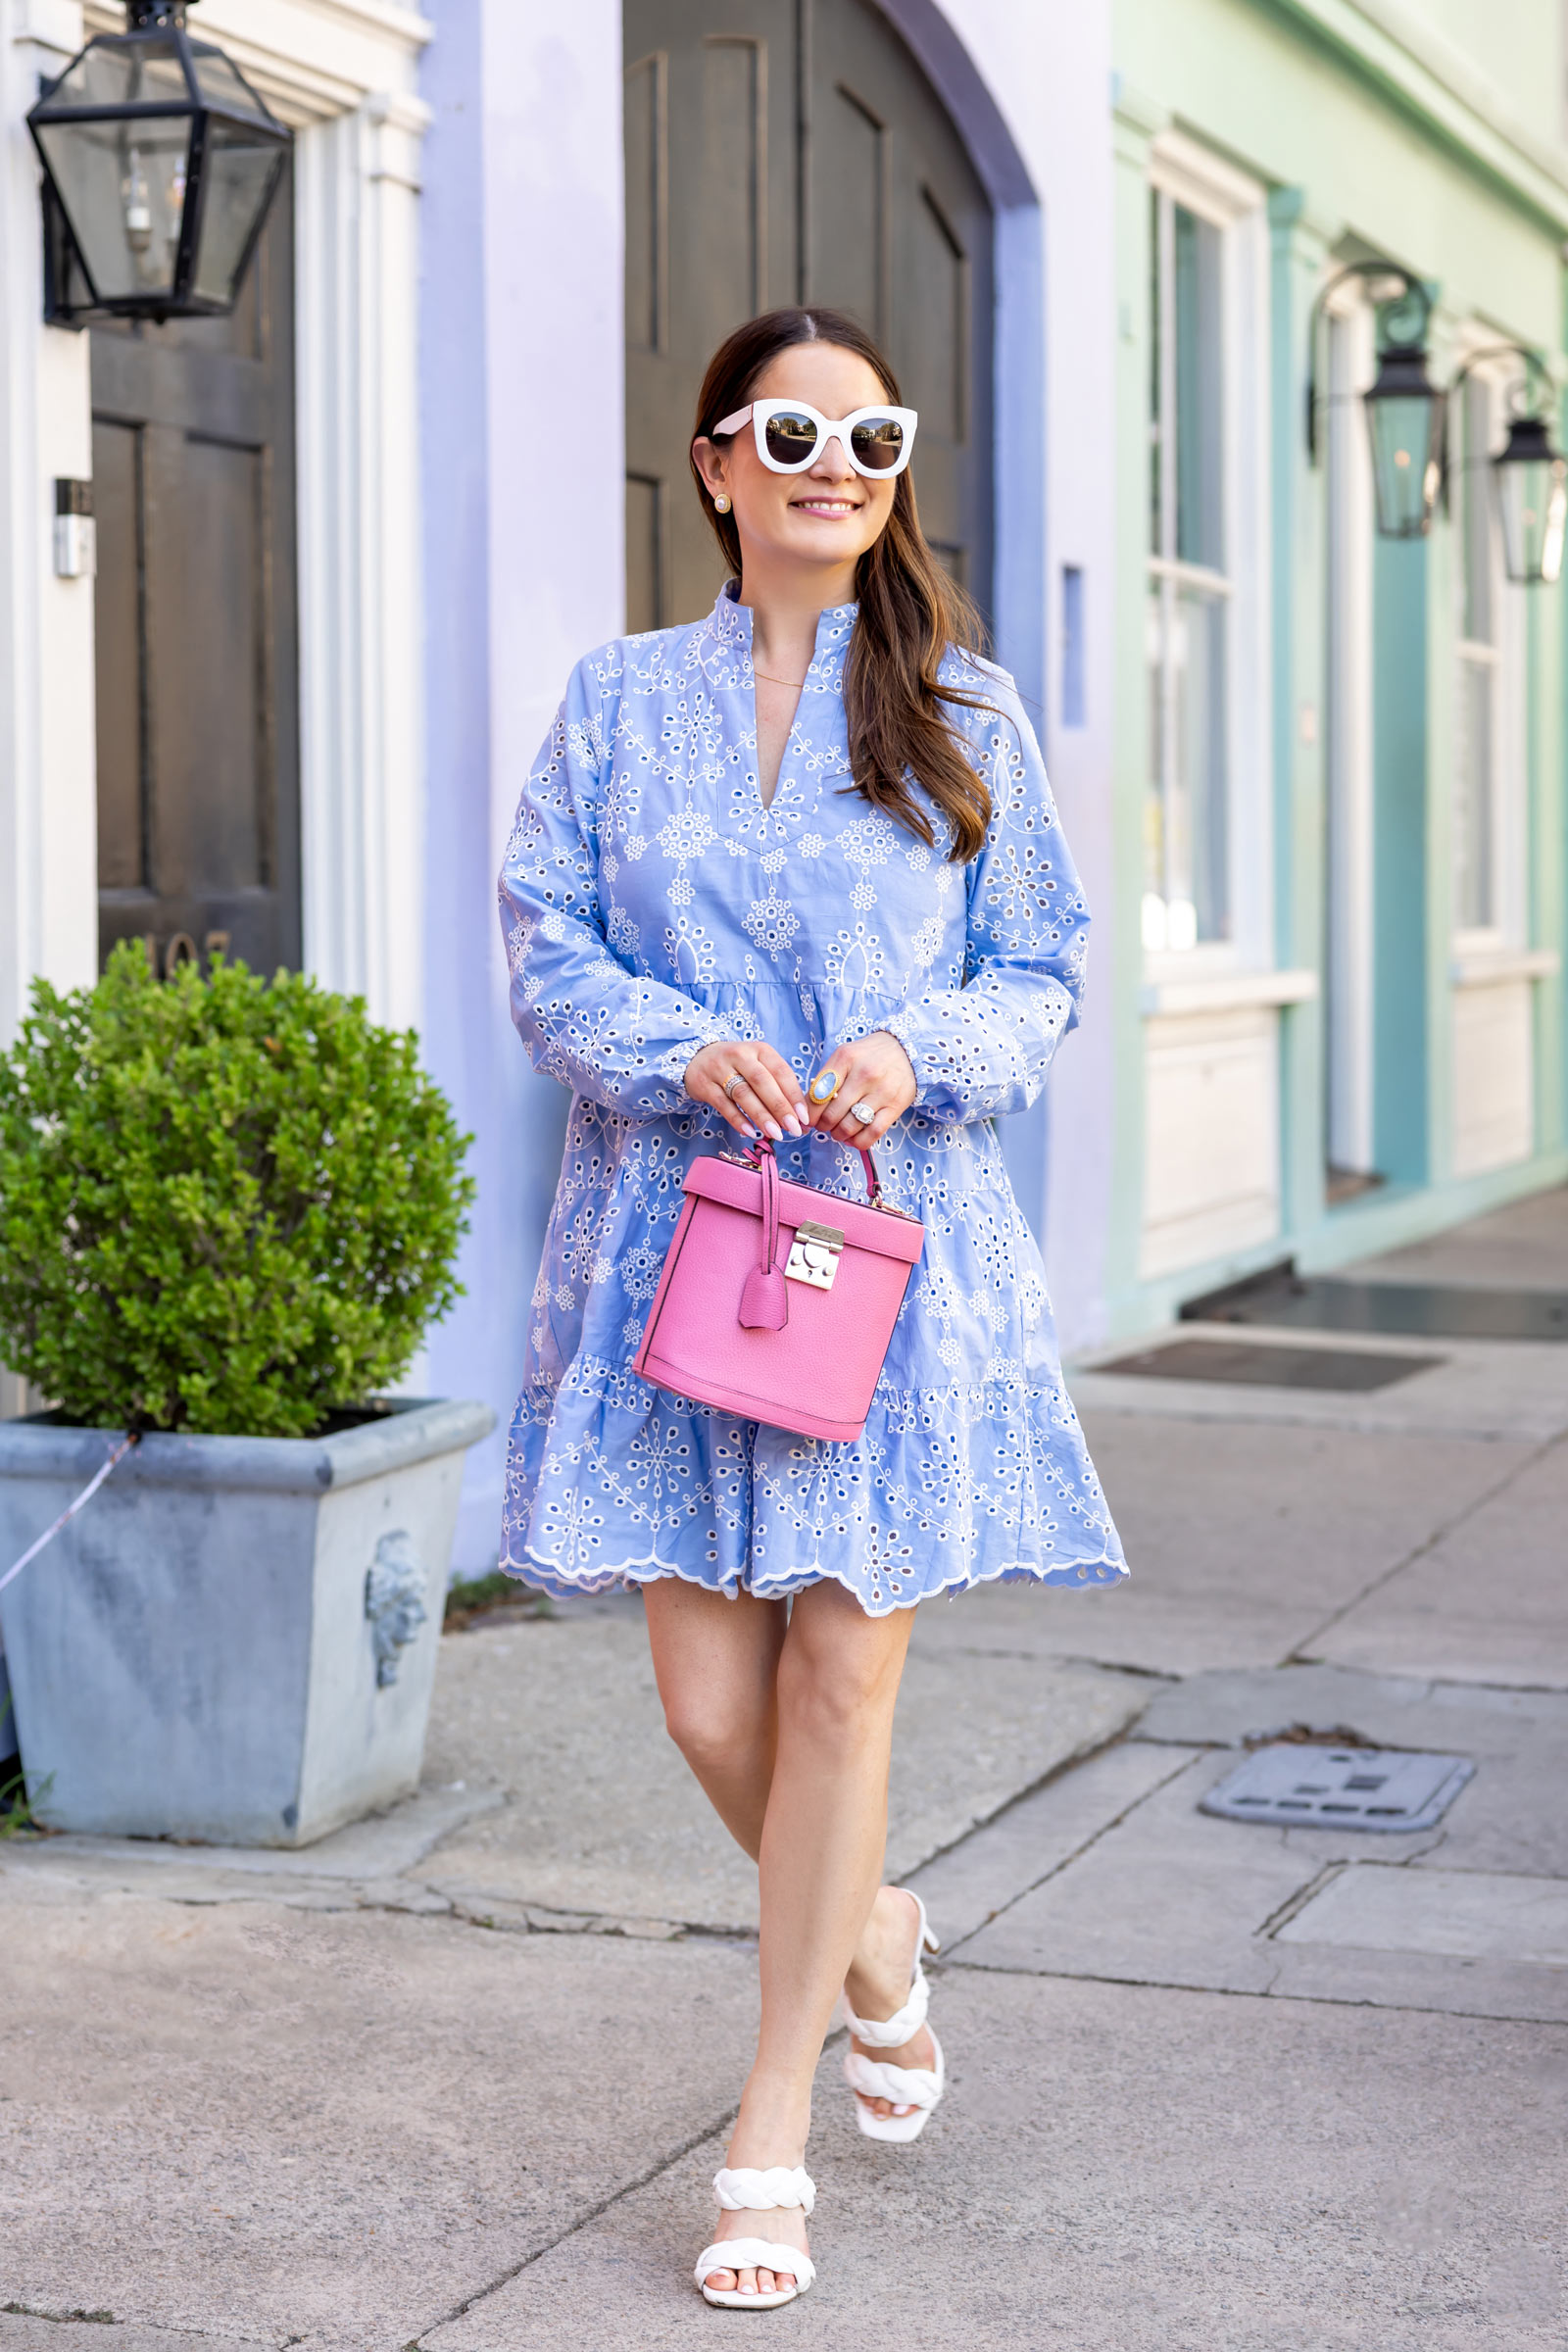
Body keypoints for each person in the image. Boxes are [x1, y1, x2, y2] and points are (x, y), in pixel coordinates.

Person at [497, 306, 1127, 2308]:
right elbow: (544, 946)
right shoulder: (609, 706)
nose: (830, 464)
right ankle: (873, 1943)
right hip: (675, 1258)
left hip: (891, 1261)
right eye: (787, 433)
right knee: (705, 1702)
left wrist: (912, 1047)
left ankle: (764, 2131)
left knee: (839, 1684)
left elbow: (1039, 969)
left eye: (868, 437)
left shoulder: (960, 707)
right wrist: (684, 1052)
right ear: (714, 465)